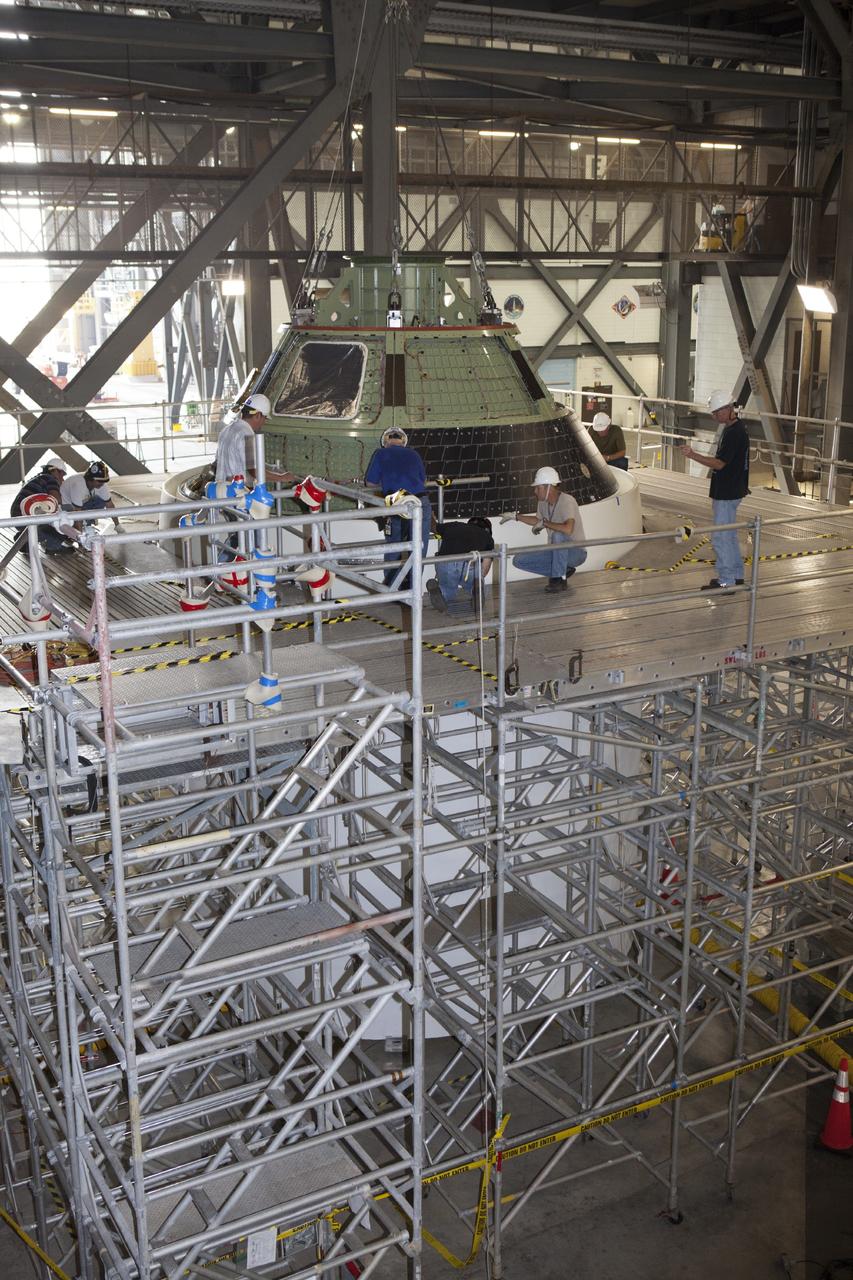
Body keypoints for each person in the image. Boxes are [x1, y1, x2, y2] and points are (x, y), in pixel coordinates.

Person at [679, 389, 750, 593]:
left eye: (717, 412)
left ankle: (726, 580)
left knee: (720, 536)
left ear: (729, 409)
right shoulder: (736, 429)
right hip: (733, 489)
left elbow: (719, 464)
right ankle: (736, 576)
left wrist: (692, 455)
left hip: (727, 493)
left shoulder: (734, 433)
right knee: (729, 535)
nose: (714, 416)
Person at [364, 427, 431, 588]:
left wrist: (385, 482)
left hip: (398, 503)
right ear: (403, 441)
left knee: (394, 545)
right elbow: (423, 481)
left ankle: (392, 588)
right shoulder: (414, 454)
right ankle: (414, 589)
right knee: (419, 547)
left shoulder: (380, 453)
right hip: (420, 502)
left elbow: (370, 483)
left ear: (385, 441)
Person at [510, 466, 587, 594]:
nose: (535, 491)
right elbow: (537, 520)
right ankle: (563, 571)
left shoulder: (567, 501)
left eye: (538, 488)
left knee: (558, 535)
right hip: (556, 552)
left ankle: (557, 580)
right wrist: (515, 517)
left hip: (576, 553)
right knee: (518, 560)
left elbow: (568, 529)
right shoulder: (542, 502)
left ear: (548, 488)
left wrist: (545, 523)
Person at [215, 393, 295, 486]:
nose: (264, 422)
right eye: (264, 418)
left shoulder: (227, 429)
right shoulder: (246, 434)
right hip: (235, 493)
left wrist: (271, 468)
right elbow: (255, 472)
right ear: (257, 415)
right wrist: (282, 477)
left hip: (220, 490)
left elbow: (233, 460)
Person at [427, 516, 494, 614]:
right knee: (480, 587)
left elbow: (432, 527)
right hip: (470, 565)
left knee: (448, 591)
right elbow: (485, 568)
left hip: (447, 563)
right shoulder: (488, 537)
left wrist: (431, 516)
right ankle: (476, 591)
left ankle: (440, 591)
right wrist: (479, 580)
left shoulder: (454, 525)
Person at [11, 456, 75, 554]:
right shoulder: (50, 479)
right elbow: (57, 500)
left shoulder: (39, 478)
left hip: (18, 516)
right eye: (62, 474)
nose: (62, 478)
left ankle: (25, 540)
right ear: (55, 471)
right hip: (27, 517)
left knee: (52, 516)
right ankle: (52, 546)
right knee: (67, 512)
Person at [60, 461, 121, 529]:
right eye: (100, 481)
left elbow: (110, 505)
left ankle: (86, 522)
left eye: (104, 481)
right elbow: (77, 513)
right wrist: (80, 535)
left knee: (100, 501)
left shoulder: (101, 484)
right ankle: (81, 525)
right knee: (76, 520)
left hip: (81, 505)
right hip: (66, 508)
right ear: (91, 479)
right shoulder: (78, 485)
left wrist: (117, 525)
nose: (102, 484)